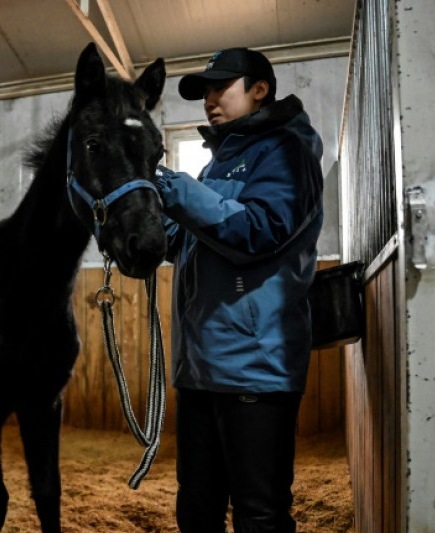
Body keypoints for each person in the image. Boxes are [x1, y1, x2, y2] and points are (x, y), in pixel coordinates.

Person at [153, 47, 324, 532]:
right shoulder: (217, 165)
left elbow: (261, 230)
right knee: (197, 508)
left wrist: (178, 191)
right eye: (205, 91)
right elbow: (186, 242)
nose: (209, 99)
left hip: (255, 367)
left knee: (259, 513)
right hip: (201, 366)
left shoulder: (287, 150)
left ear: (259, 89)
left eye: (220, 87)